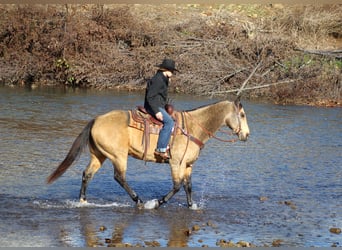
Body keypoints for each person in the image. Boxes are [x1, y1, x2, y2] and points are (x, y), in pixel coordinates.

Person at [144, 58, 179, 160]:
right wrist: (156, 111)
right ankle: (160, 149)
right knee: (169, 123)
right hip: (153, 106)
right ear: (165, 70)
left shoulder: (162, 79)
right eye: (171, 71)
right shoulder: (158, 80)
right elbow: (150, 97)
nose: (172, 73)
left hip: (158, 105)